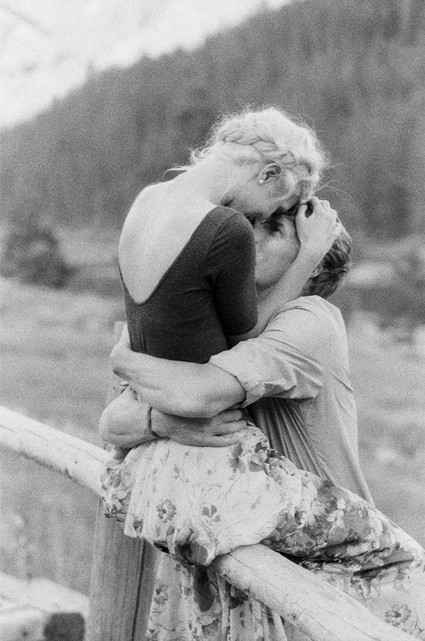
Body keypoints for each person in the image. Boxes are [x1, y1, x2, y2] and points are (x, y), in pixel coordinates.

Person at [101, 214, 425, 640]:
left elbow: (201, 396)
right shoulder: (218, 322)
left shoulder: (311, 319)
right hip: (258, 552)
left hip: (335, 566)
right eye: (254, 221)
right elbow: (113, 424)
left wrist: (126, 361)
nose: (249, 234)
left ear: (313, 267)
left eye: (275, 230)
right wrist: (160, 421)